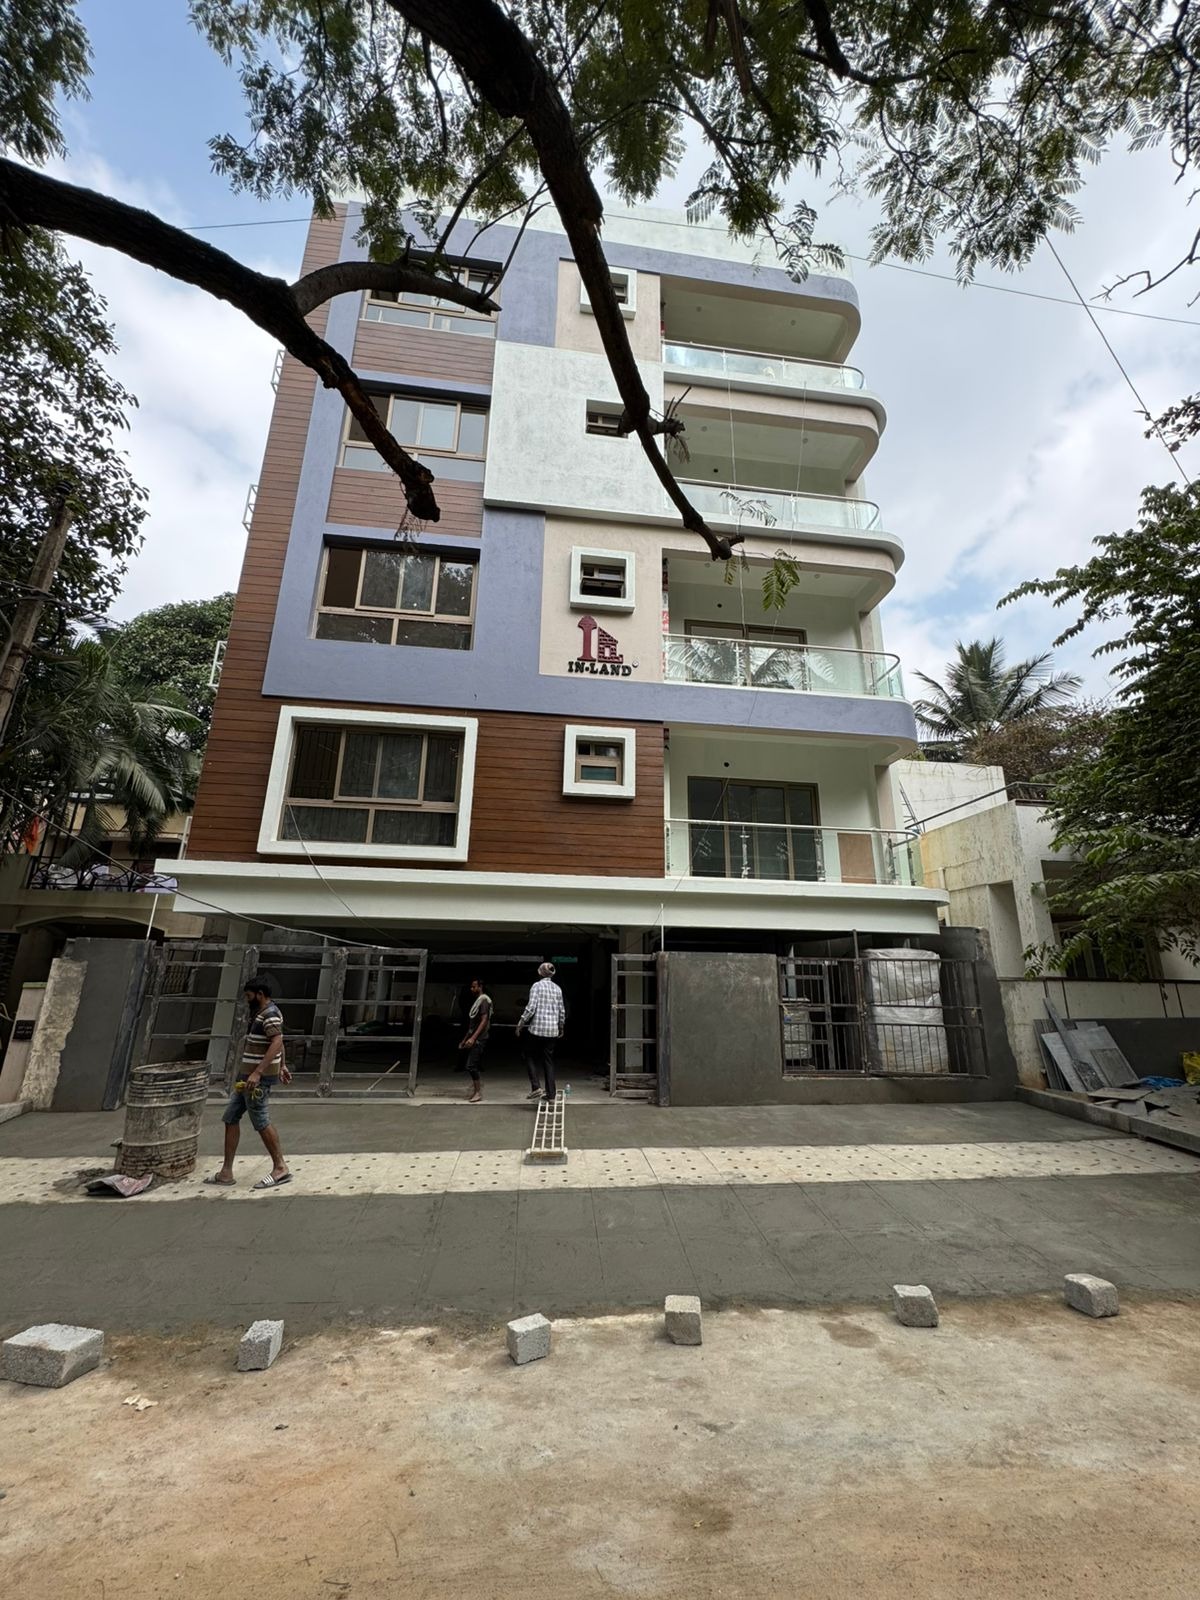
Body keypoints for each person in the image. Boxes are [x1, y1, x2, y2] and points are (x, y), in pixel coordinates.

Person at [206, 976, 292, 1190]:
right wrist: (282, 1065)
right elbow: (277, 1040)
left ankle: (280, 1167)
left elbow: (277, 1041)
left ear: (260, 994)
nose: (247, 999)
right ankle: (226, 1172)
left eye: (249, 995)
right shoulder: (262, 1013)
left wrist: (258, 1072)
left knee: (261, 1120)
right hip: (247, 1080)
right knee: (230, 1117)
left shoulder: (270, 1014)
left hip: (256, 1081)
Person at [515, 961, 566, 1103]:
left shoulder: (536, 986)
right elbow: (562, 1010)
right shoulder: (558, 989)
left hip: (537, 1030)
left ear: (539, 973)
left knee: (528, 1054)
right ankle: (551, 1095)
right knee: (548, 1060)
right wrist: (561, 1027)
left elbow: (531, 1007)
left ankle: (536, 1087)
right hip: (552, 1031)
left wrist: (521, 1023)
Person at [458, 976, 492, 1104]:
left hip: (480, 1038)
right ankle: (476, 1090)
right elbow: (472, 1025)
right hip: (475, 1037)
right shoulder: (478, 1000)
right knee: (472, 1065)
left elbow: (484, 1021)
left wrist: (473, 1038)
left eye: (474, 987)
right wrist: (464, 1039)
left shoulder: (484, 1001)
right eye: (471, 987)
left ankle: (477, 1092)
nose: (472, 989)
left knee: (471, 1065)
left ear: (480, 987)